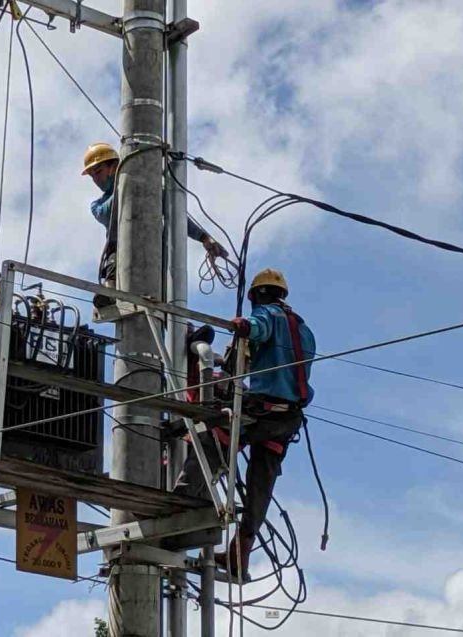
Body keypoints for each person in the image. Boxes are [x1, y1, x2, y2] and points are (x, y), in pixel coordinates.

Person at [174, 268, 316, 579]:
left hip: (264, 410)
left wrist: (244, 326)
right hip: (288, 419)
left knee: (214, 436)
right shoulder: (304, 331)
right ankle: (241, 553)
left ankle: (179, 505)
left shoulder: (268, 315)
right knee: (261, 483)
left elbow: (258, 327)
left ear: (257, 296)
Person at [81, 142, 228, 306]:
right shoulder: (97, 205)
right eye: (92, 175)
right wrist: (126, 177)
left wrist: (204, 238)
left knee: (163, 294)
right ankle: (111, 291)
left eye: (98, 172)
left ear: (114, 166)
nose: (96, 179)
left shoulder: (151, 192)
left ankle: (184, 329)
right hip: (122, 256)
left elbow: (176, 216)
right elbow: (109, 213)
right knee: (116, 257)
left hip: (153, 254)